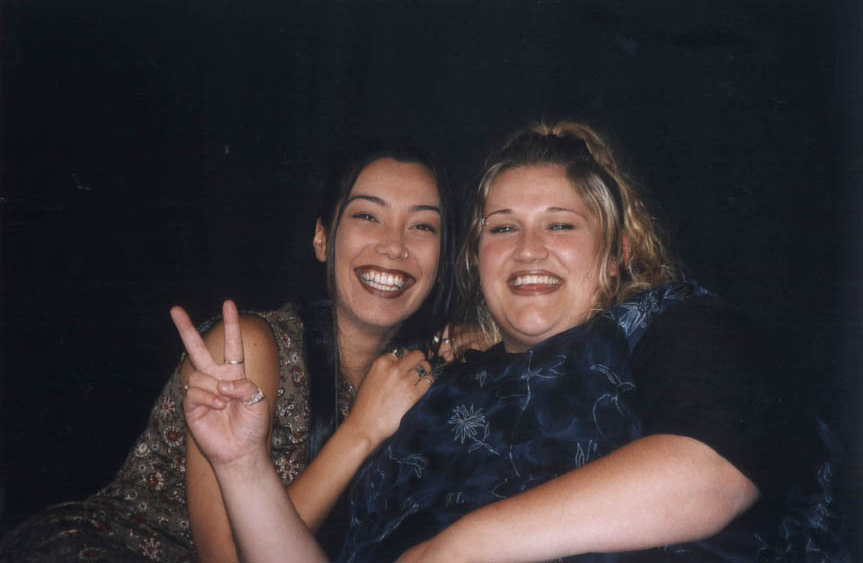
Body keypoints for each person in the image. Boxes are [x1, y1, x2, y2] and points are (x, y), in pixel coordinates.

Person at [179, 121, 844, 562]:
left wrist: (455, 549)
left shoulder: (672, 323)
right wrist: (243, 469)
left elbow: (712, 470)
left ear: (620, 251)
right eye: (501, 228)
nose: (527, 249)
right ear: (475, 260)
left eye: (560, 224)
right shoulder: (432, 384)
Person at [0, 138, 470, 562]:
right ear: (322, 238)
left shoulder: (411, 373)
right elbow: (226, 557)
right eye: (368, 216)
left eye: (422, 226)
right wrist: (361, 431)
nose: (393, 246)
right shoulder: (251, 347)